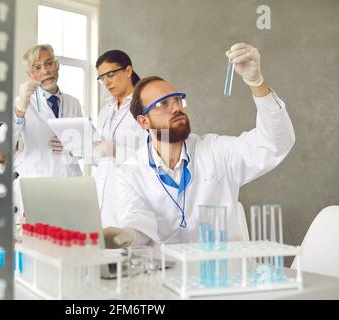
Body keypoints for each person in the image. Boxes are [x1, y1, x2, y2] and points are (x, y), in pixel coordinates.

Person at [103, 43, 296, 249]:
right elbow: (139, 223)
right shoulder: (130, 172)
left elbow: (274, 143)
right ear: (144, 122)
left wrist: (256, 82)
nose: (176, 108)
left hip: (223, 274)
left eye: (177, 100)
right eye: (162, 105)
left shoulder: (215, 151)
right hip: (168, 276)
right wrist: (126, 236)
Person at [93, 50, 147, 226]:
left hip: (131, 197)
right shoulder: (105, 111)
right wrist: (81, 147)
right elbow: (99, 159)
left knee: (130, 247)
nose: (106, 82)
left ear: (128, 70)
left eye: (111, 74)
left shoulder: (145, 105)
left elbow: (155, 155)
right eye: (102, 78)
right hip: (103, 201)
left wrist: (117, 150)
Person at [13, 44, 83, 177]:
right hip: (38, 180)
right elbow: (4, 144)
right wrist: (20, 110)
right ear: (30, 74)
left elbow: (83, 148)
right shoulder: (21, 103)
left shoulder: (73, 103)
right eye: (37, 67)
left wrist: (73, 146)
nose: (45, 71)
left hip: (70, 180)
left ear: (57, 65)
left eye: (49, 64)